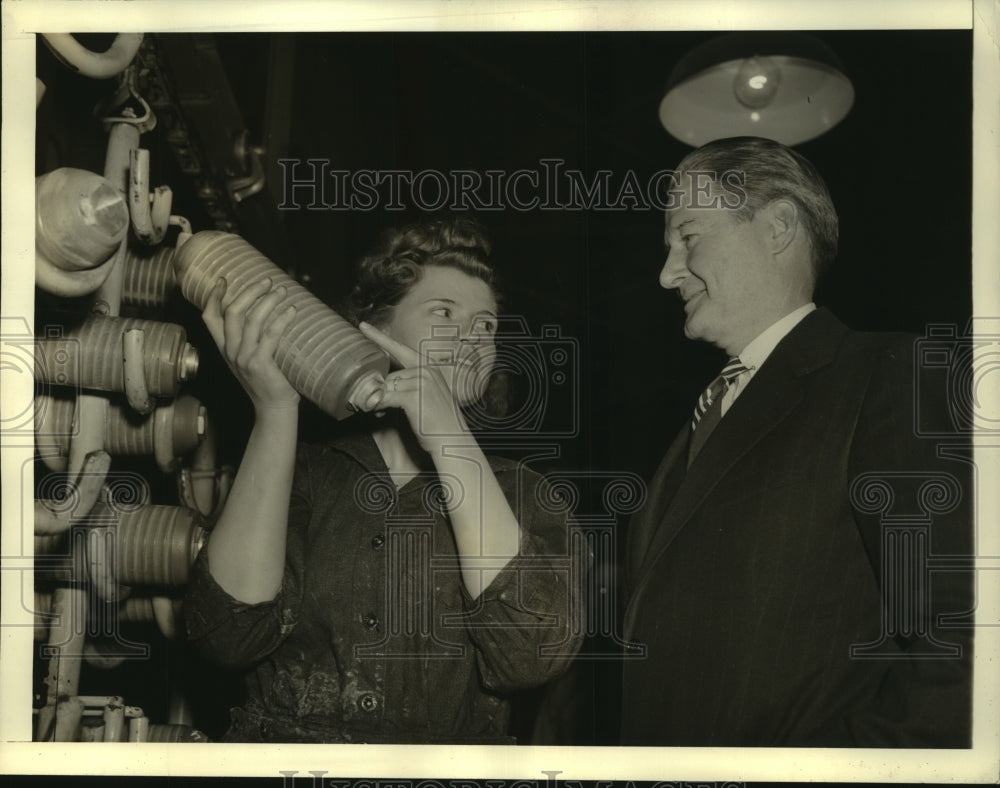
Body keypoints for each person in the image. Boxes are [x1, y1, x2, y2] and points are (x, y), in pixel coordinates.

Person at [621, 137, 973, 747]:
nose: (667, 272)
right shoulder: (698, 422)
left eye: (689, 235)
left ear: (778, 226)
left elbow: (962, 633)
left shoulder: (890, 374)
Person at [183, 216, 583, 743]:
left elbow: (531, 654)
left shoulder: (526, 494)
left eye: (486, 325)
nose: (470, 337)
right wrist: (276, 411)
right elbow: (228, 635)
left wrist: (448, 435)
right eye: (443, 312)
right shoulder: (304, 472)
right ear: (374, 331)